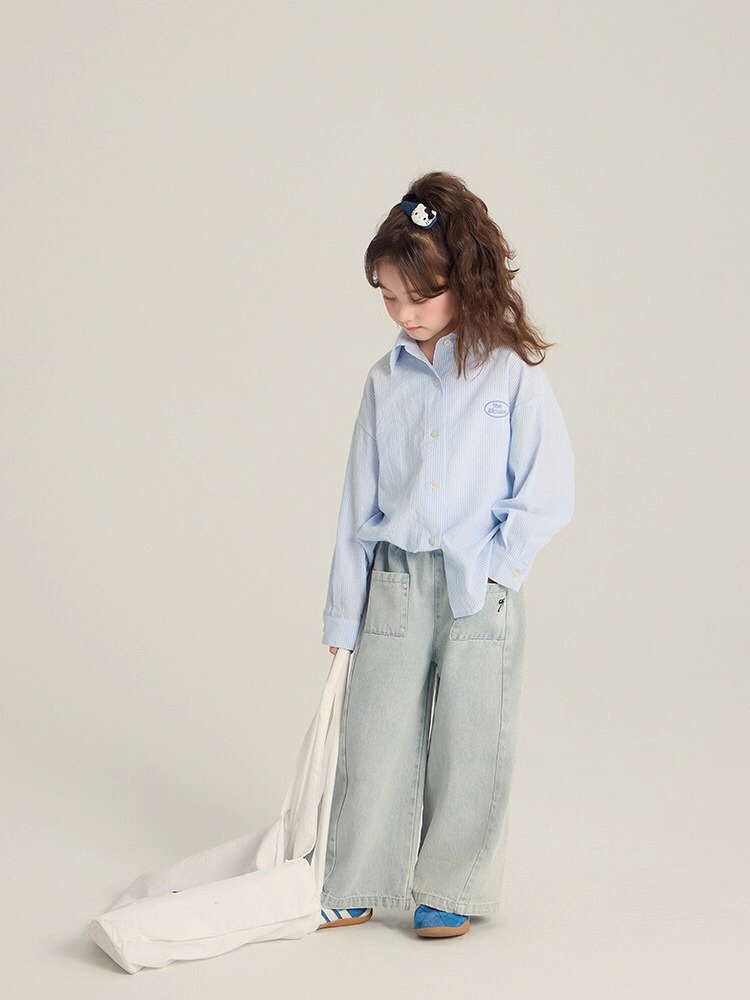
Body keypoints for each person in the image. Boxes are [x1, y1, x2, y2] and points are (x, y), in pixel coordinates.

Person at [317, 171, 575, 939]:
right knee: (376, 735)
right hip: (395, 581)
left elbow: (547, 488)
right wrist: (343, 613)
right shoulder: (383, 382)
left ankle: (452, 884)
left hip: (477, 587)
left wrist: (499, 570)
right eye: (388, 297)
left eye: (419, 297)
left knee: (472, 740)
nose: (404, 314)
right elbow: (356, 506)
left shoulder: (510, 375)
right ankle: (357, 876)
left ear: (463, 279)